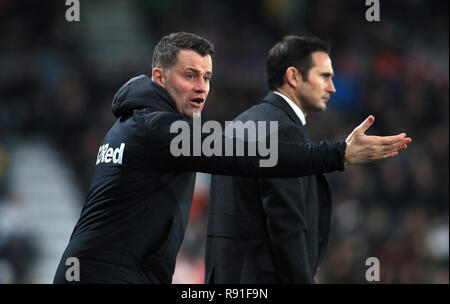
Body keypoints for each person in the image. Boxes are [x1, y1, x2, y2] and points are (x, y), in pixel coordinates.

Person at [53, 32, 410, 284]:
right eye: (190, 76)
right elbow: (252, 155)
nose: (202, 88)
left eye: (207, 77)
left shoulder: (134, 124)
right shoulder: (158, 129)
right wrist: (338, 154)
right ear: (159, 77)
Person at [204, 36, 410, 283]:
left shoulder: (240, 124)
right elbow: (286, 227)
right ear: (294, 77)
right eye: (324, 76)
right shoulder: (283, 131)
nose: (332, 87)